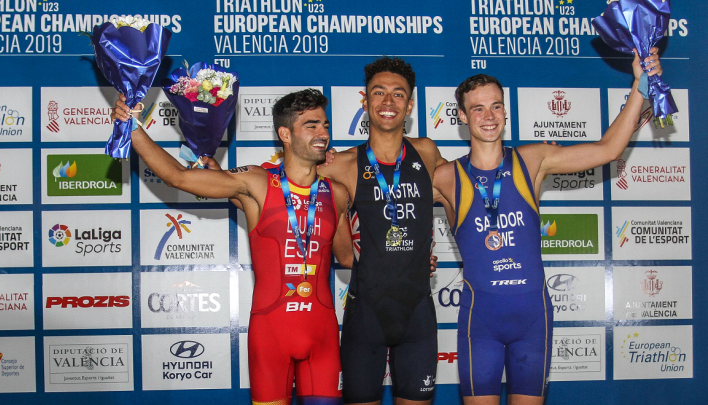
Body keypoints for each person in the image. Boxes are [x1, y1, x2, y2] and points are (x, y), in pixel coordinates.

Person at [432, 49, 662, 405]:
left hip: (532, 319)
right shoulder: (446, 177)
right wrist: (327, 159)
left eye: (496, 106)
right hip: (481, 322)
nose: (488, 116)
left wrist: (640, 85)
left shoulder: (533, 159)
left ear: (506, 111)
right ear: (462, 116)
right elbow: (380, 189)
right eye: (477, 108)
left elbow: (608, 148)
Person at [113, 88, 352, 405]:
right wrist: (133, 129)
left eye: (325, 124)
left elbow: (348, 258)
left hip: (322, 339)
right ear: (285, 133)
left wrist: (410, 259)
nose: (323, 133)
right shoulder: (257, 182)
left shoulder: (336, 192)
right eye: (312, 125)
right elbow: (179, 177)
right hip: (271, 339)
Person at [318, 57, 445, 405]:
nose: (388, 102)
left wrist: (518, 165)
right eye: (379, 92)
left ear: (410, 104)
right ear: (365, 101)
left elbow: (470, 184)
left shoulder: (428, 153)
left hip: (417, 313)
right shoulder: (340, 165)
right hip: (365, 316)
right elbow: (283, 188)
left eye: (398, 94)